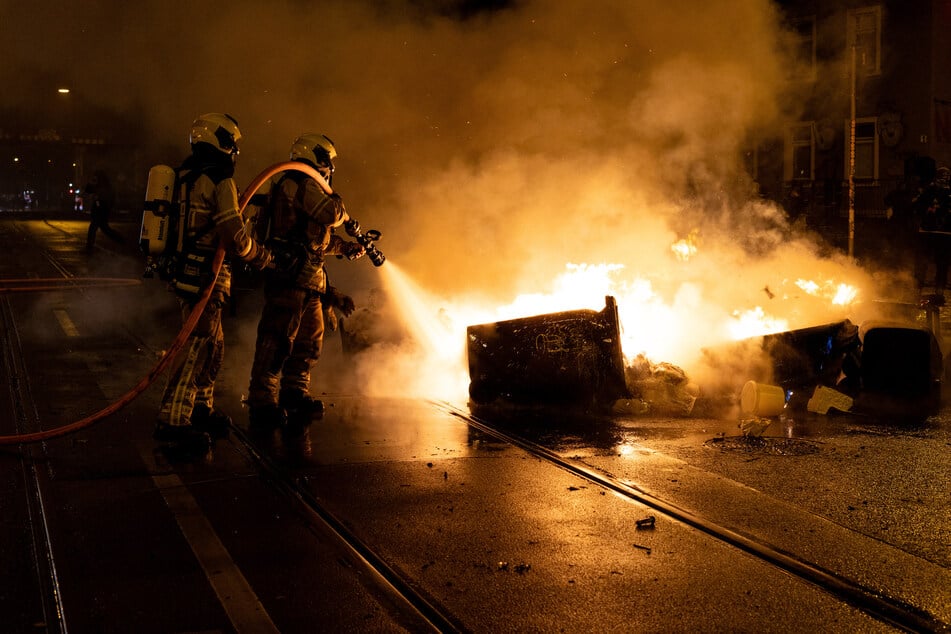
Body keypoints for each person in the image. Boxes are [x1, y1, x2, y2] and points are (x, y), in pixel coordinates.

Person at [153, 113, 272, 454]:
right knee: (197, 347)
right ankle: (173, 422)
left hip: (186, 269)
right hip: (207, 273)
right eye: (232, 143)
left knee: (212, 344)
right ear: (222, 142)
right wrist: (261, 255)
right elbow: (234, 236)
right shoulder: (220, 180)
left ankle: (200, 409)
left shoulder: (185, 175)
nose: (234, 150)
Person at [246, 133, 364, 432]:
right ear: (319, 158)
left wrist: (346, 248)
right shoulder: (299, 181)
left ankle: (294, 393)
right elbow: (331, 213)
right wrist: (341, 206)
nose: (331, 169)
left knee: (309, 341)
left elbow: (314, 241)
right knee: (277, 339)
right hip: (289, 276)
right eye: (329, 162)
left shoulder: (299, 183)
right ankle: (262, 403)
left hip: (308, 277)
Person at [913, 166, 951, 303]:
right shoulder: (930, 190)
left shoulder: (933, 190)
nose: (946, 178)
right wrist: (927, 210)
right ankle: (920, 290)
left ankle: (934, 292)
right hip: (932, 232)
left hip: (940, 232)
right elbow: (917, 205)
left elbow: (916, 205)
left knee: (938, 263)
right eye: (944, 175)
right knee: (929, 262)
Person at [84, 169, 124, 251]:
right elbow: (89, 190)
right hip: (103, 209)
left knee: (96, 228)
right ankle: (121, 240)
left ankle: (121, 240)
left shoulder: (101, 186)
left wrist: (91, 182)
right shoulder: (105, 185)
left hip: (100, 209)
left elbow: (88, 190)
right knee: (104, 228)